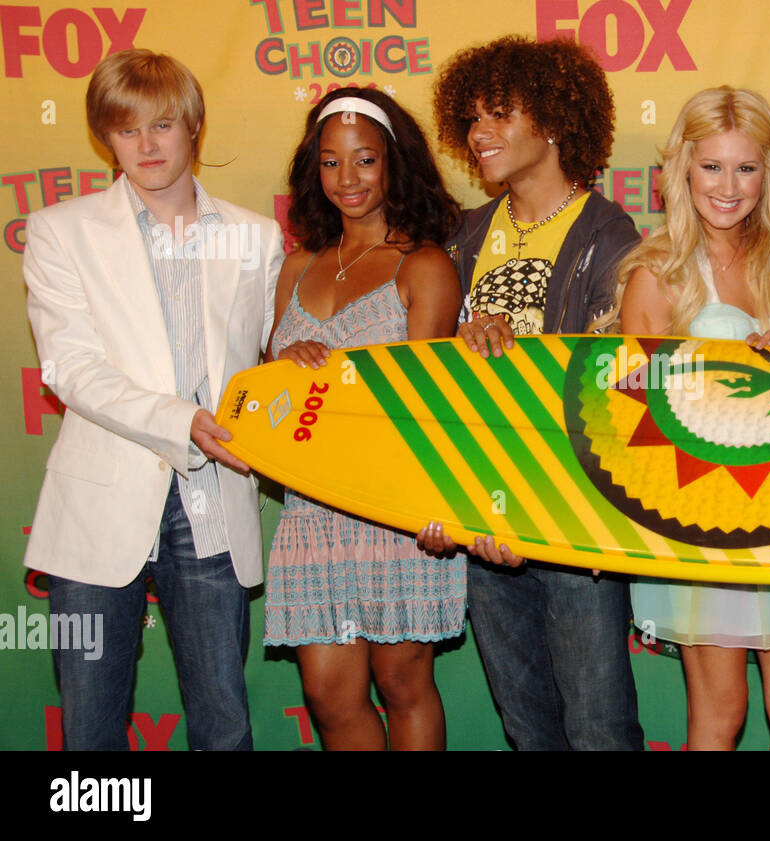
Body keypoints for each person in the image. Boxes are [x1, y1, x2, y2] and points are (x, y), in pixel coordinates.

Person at [22, 49, 284, 750]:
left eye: (162, 124)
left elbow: (274, 370)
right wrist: (185, 422)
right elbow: (71, 369)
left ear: (192, 126)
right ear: (105, 136)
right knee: (91, 730)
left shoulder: (256, 239)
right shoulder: (58, 233)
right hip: (99, 502)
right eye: (126, 128)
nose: (145, 145)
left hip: (214, 500)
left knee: (223, 725)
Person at [425, 35, 643, 750]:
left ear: (552, 120)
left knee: (598, 728)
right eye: (472, 118)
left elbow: (607, 391)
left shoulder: (609, 236)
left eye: (499, 115)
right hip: (479, 512)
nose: (478, 133)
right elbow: (433, 377)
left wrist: (536, 514)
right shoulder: (463, 236)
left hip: (568, 514)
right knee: (529, 731)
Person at [597, 86, 770, 750]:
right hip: (702, 512)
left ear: (769, 172)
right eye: (712, 167)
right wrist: (725, 380)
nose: (729, 186)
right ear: (684, 170)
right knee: (720, 713)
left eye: (747, 168)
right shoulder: (657, 274)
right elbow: (634, 420)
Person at [263, 87, 465, 750]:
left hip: (392, 508)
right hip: (312, 508)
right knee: (328, 693)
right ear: (312, 170)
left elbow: (430, 406)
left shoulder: (424, 265)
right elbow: (265, 406)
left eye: (365, 160)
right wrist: (281, 365)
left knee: (402, 682)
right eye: (330, 162)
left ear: (394, 164)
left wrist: (434, 505)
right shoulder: (295, 268)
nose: (347, 179)